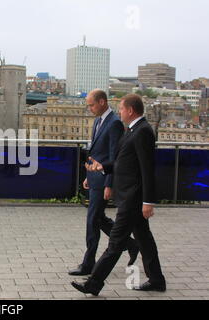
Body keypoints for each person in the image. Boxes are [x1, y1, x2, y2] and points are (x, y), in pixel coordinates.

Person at [71, 94, 166, 296]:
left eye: (121, 108)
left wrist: (148, 202)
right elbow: (121, 162)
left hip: (133, 198)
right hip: (128, 196)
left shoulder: (143, 132)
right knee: (144, 240)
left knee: (115, 243)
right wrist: (102, 166)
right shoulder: (132, 130)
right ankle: (157, 279)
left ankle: (93, 283)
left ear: (130, 110)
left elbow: (147, 169)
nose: (119, 112)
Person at [69, 90, 139, 277]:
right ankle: (130, 244)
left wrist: (109, 183)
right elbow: (97, 153)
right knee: (98, 218)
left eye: (91, 104)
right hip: (95, 177)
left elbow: (113, 156)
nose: (89, 108)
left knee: (93, 220)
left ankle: (88, 264)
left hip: (103, 181)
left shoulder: (114, 123)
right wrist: (88, 176)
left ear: (102, 102)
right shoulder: (99, 120)